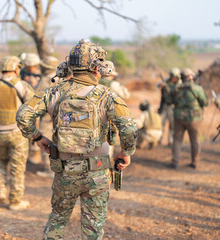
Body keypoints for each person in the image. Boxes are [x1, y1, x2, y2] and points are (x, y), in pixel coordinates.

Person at [16, 39, 137, 239]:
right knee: (93, 227)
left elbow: (23, 116)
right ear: (96, 68)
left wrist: (37, 137)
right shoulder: (108, 97)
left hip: (64, 171)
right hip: (97, 172)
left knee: (57, 219)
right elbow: (129, 128)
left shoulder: (53, 92)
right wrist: (126, 153)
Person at [0, 56, 34, 210]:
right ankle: (15, 201)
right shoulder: (22, 86)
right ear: (16, 69)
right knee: (17, 167)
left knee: (0, 162)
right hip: (17, 134)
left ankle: (1, 194)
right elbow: (34, 108)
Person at [167, 68, 208, 169]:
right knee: (195, 140)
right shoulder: (197, 88)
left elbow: (168, 101)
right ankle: (195, 162)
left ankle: (175, 162)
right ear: (191, 77)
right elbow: (205, 102)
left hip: (179, 118)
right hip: (194, 119)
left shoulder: (176, 87)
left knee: (177, 139)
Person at [35, 56, 59, 178]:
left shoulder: (45, 80)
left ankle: (50, 170)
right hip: (61, 116)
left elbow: (36, 98)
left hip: (46, 116)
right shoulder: (62, 79)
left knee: (46, 140)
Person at [157, 68, 181, 146]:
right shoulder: (166, 81)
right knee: (161, 123)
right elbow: (157, 85)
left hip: (172, 106)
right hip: (164, 105)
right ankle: (159, 139)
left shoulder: (178, 84)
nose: (172, 78)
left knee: (172, 124)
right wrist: (162, 85)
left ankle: (171, 140)